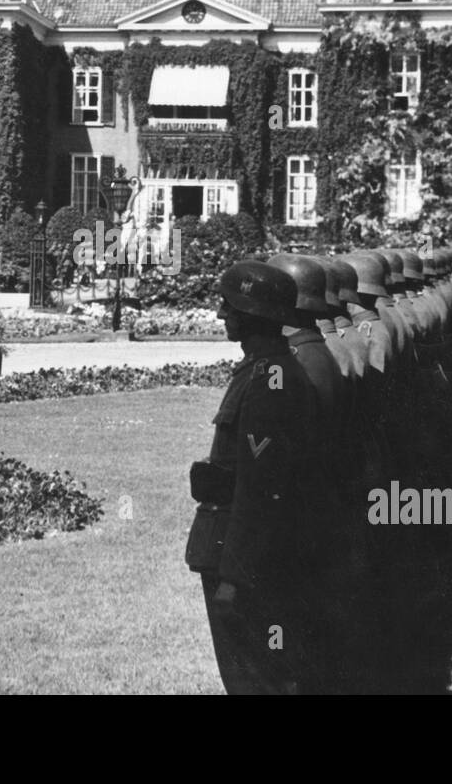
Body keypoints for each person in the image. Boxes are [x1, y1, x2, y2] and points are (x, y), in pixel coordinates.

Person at [184, 260, 337, 694]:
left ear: (252, 314)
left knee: (253, 678)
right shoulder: (264, 371)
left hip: (246, 558)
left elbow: (261, 490)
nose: (220, 315)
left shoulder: (271, 380)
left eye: (229, 306)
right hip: (239, 548)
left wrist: (236, 575)